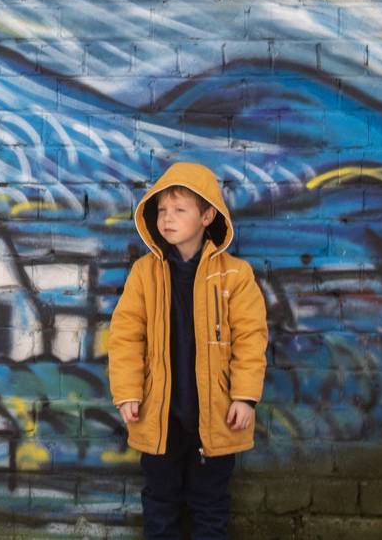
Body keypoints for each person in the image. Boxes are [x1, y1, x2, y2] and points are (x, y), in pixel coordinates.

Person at [107, 161, 269, 539]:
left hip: (216, 416)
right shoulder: (144, 273)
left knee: (210, 505)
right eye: (162, 209)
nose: (168, 218)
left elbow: (251, 338)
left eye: (180, 210)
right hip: (159, 416)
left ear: (207, 216)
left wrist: (245, 397)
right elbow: (126, 336)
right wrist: (127, 392)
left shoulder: (235, 275)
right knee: (160, 503)